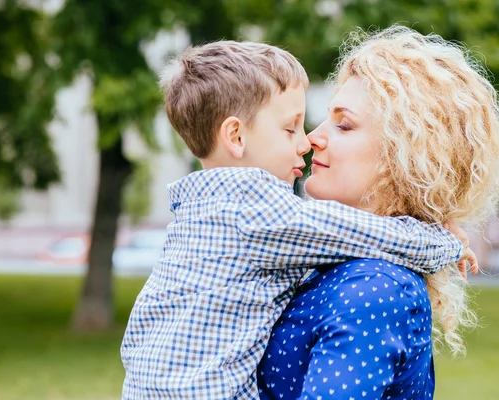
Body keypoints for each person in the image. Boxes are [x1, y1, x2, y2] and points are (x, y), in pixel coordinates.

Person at [120, 40, 468, 400]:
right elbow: (376, 237)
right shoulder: (260, 212)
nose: (308, 141)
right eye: (291, 129)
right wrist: (445, 241)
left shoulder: (196, 207)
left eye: (344, 125)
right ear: (236, 136)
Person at [257, 25, 499, 399]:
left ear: (404, 159)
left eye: (344, 124)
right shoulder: (332, 262)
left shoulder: (374, 289)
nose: (311, 139)